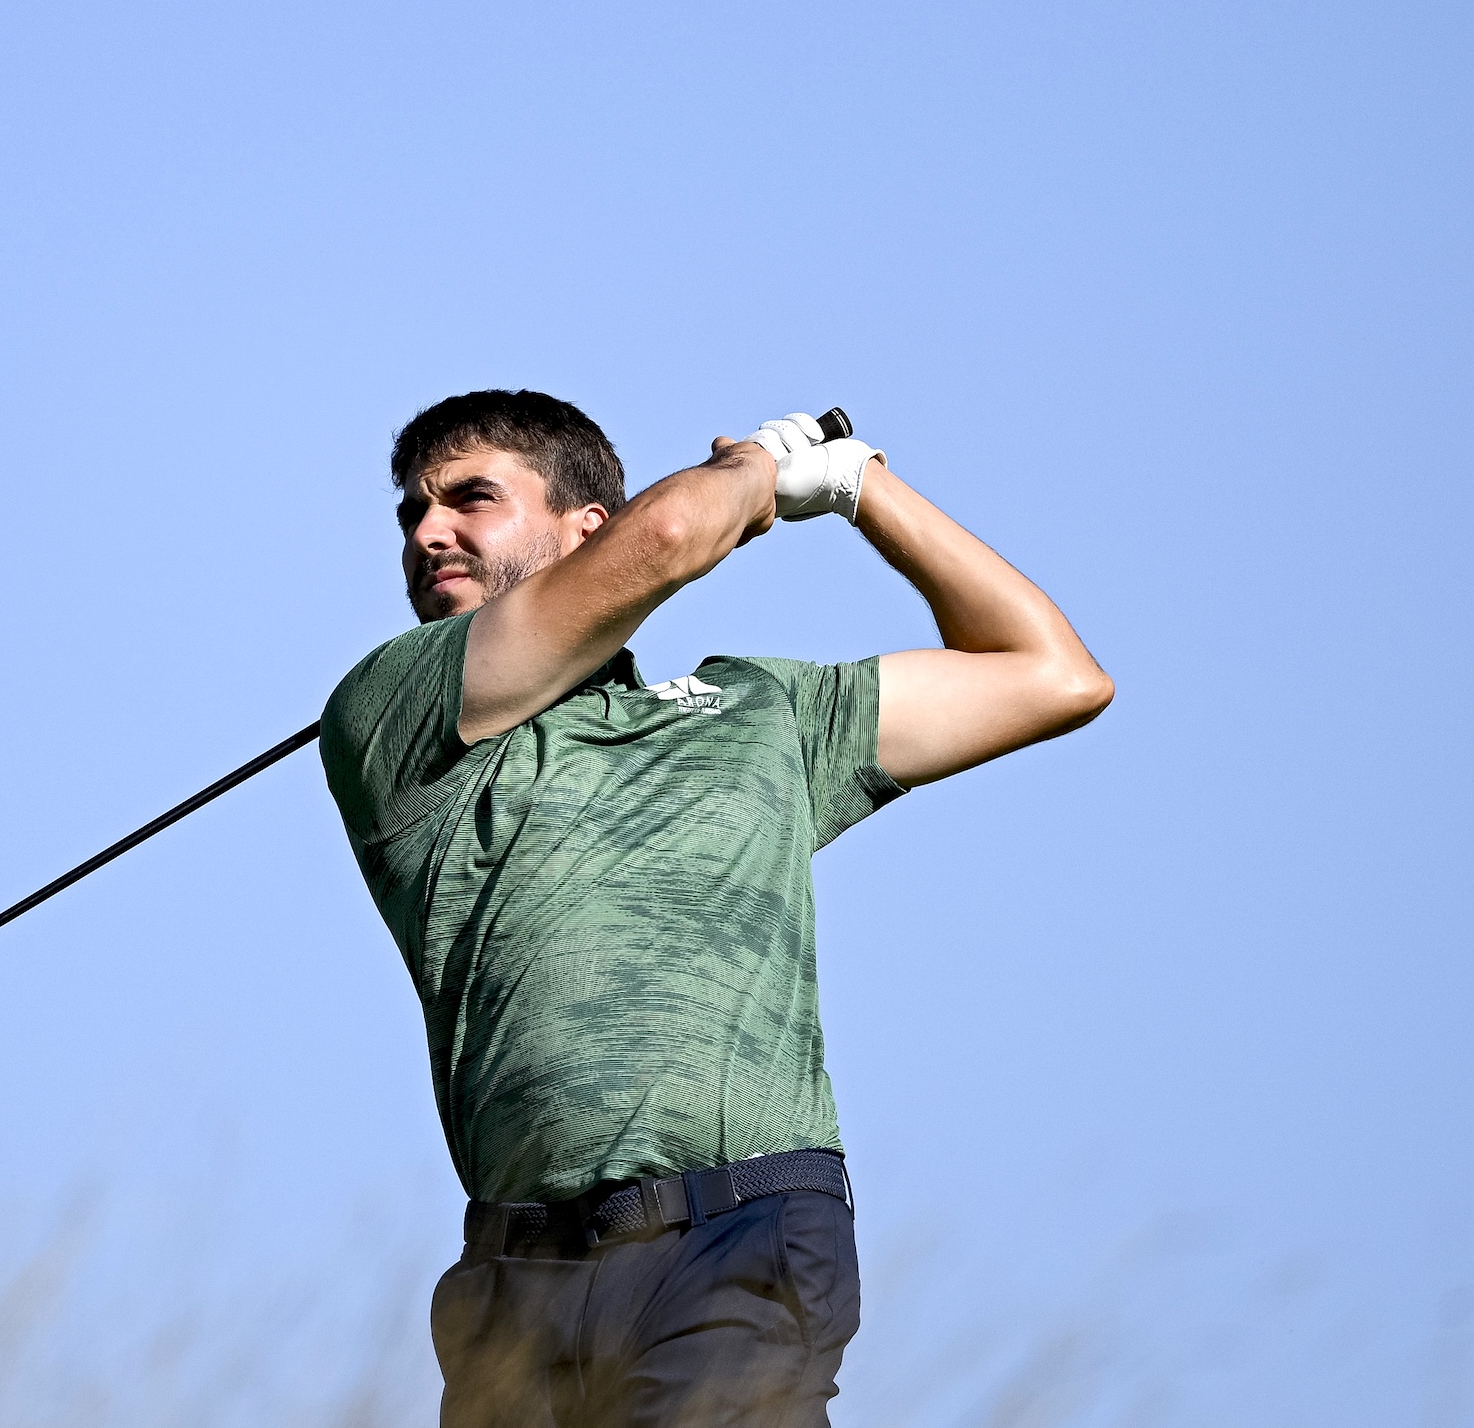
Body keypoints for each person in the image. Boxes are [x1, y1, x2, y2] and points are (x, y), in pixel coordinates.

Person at [319, 390, 1112, 1426]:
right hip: (511, 1284)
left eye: (470, 498)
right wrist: (758, 474)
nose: (429, 533)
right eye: (411, 515)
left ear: (581, 526)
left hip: (732, 1233)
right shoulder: (395, 708)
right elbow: (678, 531)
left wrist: (862, 487)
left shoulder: (759, 711)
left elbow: (1052, 674)